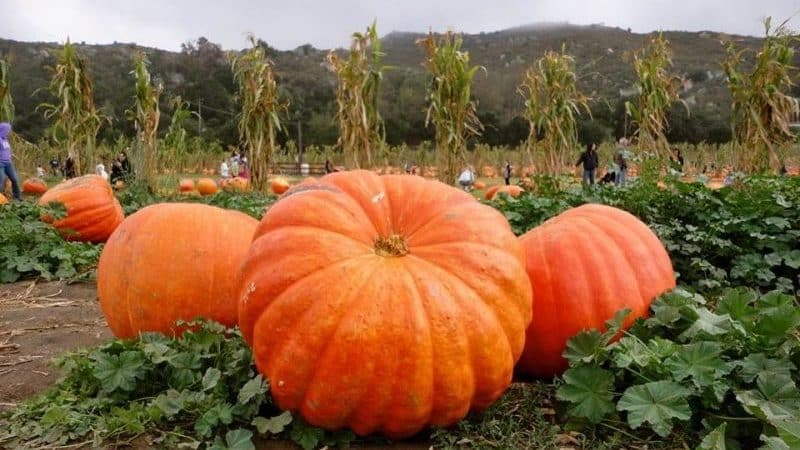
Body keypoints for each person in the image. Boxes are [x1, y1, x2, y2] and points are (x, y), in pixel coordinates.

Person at [0, 122, 21, 200]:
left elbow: (7, 150)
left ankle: (17, 197)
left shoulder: (5, 139)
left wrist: (12, 155)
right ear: (3, 130)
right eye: (8, 130)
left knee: (14, 179)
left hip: (8, 162)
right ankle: (1, 199)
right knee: (1, 180)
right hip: (0, 163)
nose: (9, 132)